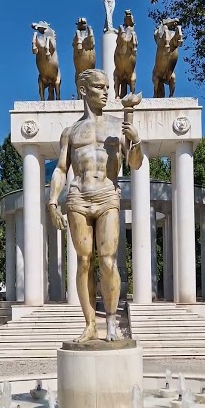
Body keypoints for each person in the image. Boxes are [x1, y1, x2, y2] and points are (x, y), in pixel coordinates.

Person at [47, 68, 145, 342]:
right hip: (78, 196)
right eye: (100, 87)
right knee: (83, 261)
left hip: (106, 195)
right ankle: (90, 323)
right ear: (83, 91)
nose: (106, 92)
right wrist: (53, 200)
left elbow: (135, 163)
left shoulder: (117, 125)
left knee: (108, 261)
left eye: (106, 87)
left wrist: (135, 139)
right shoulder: (71, 132)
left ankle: (111, 321)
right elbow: (61, 169)